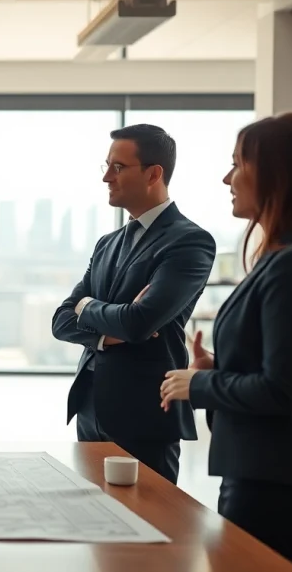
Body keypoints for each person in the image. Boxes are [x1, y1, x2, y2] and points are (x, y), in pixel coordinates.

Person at [160, 112, 292, 572]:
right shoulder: (291, 258)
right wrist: (216, 366)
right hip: (275, 480)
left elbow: (282, 392)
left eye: (237, 163)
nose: (227, 177)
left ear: (275, 174)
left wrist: (198, 385)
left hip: (281, 490)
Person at [51, 124, 216, 485]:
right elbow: (61, 319)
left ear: (154, 173)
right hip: (89, 409)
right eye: (106, 166)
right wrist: (106, 332)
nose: (107, 177)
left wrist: (88, 306)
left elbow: (139, 322)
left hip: (144, 416)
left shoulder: (190, 242)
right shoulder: (107, 244)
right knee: (95, 526)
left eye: (119, 167)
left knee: (151, 527)